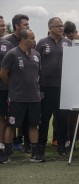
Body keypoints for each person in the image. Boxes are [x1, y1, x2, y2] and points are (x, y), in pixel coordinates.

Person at [0, 29, 44, 163]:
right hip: (17, 98)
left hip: (34, 98)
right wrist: (13, 87)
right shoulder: (12, 54)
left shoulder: (36, 54)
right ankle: (6, 154)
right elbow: (3, 74)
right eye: (31, 38)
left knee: (33, 125)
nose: (34, 40)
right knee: (12, 125)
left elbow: (38, 75)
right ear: (23, 39)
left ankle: (35, 154)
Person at [35, 17, 72, 156]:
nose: (61, 28)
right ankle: (41, 145)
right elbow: (35, 63)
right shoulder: (42, 43)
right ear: (50, 28)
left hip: (63, 87)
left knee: (62, 117)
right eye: (58, 26)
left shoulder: (68, 43)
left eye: (62, 26)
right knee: (44, 118)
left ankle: (62, 145)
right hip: (45, 86)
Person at [4, 14, 30, 152]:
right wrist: (10, 84)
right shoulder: (7, 41)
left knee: (26, 116)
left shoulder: (29, 40)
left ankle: (25, 142)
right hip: (10, 87)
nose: (28, 26)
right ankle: (9, 144)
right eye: (25, 24)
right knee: (10, 118)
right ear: (17, 26)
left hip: (25, 87)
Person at [0, 16, 14, 152]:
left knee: (3, 117)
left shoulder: (8, 45)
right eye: (1, 25)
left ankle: (2, 145)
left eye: (4, 25)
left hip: (3, 89)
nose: (3, 28)